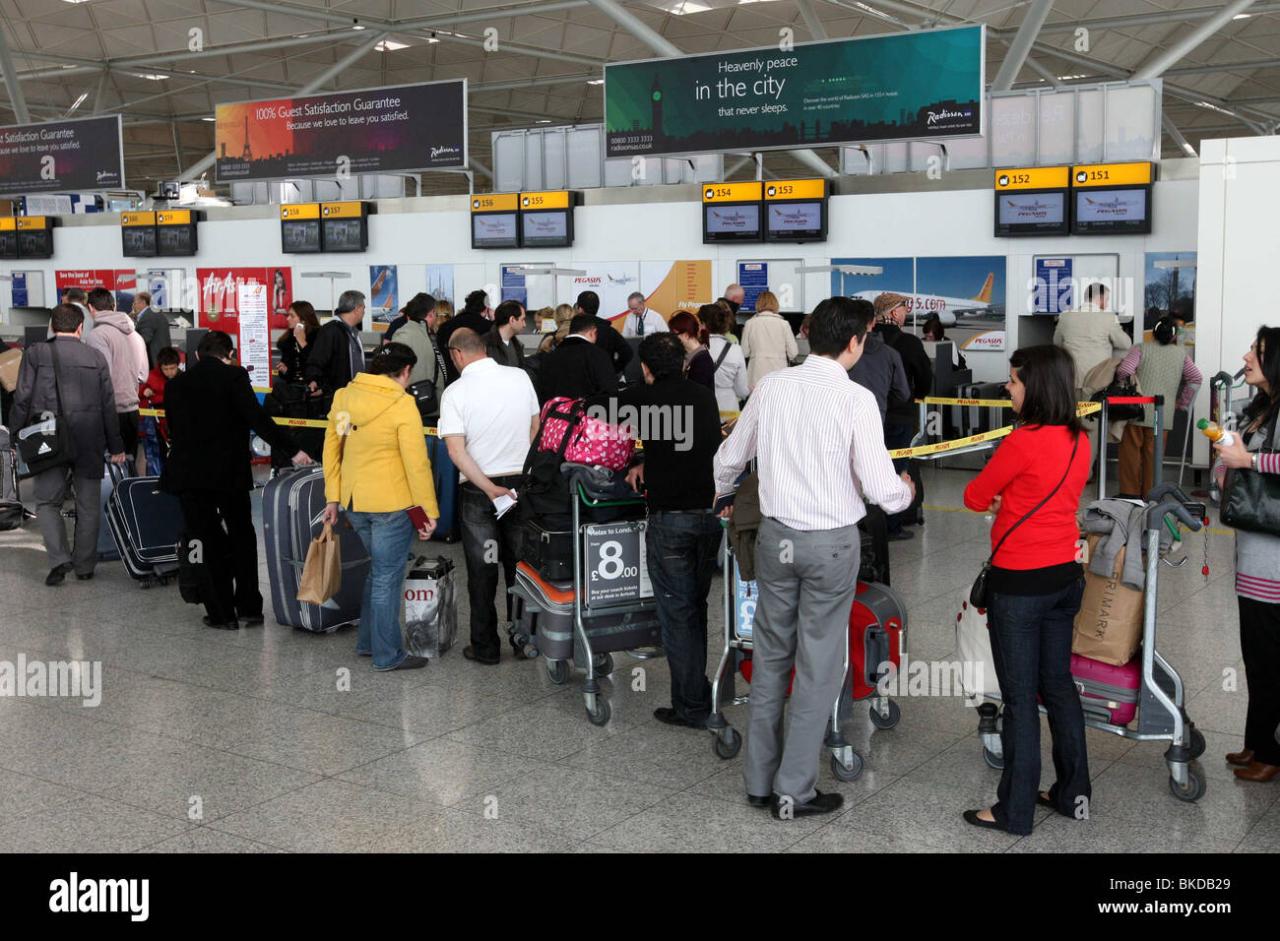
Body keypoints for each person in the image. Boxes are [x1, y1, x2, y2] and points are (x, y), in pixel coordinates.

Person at [714, 296, 915, 819]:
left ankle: (758, 780)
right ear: (855, 341)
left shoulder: (773, 386)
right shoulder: (855, 399)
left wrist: (723, 495)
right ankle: (794, 789)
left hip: (776, 540)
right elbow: (880, 488)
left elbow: (729, 458)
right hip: (830, 544)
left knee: (771, 654)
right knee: (819, 664)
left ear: (808, 336)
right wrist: (906, 492)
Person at [961, 344, 1092, 834]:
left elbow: (974, 497)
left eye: (1013, 381)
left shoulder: (1021, 442)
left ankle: (1014, 810)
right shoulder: (1082, 440)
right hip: (1065, 577)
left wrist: (1001, 500)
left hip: (1019, 584)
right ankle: (1073, 794)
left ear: (1033, 386)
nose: (1008, 388)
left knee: (1018, 698)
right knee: (1057, 686)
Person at [591, 333, 722, 727]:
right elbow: (694, 443)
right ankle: (696, 692)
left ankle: (692, 707)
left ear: (646, 368)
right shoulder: (702, 395)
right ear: (683, 363)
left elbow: (596, 410)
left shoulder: (643, 399)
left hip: (670, 522)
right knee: (695, 608)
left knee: (678, 615)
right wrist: (650, 458)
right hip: (709, 515)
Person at [162, 331, 312, 629]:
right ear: (229, 355)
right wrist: (292, 450)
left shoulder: (175, 385)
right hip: (229, 473)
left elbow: (175, 430)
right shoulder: (234, 378)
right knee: (242, 535)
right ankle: (249, 607)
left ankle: (220, 614)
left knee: (203, 540)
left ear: (196, 356)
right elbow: (258, 419)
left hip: (190, 474)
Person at [320, 342, 439, 671]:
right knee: (388, 577)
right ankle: (389, 655)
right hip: (391, 504)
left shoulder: (345, 396)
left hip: (354, 502)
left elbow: (333, 449)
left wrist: (333, 497)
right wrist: (429, 511)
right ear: (405, 372)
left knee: (378, 571)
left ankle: (369, 643)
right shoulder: (402, 405)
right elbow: (416, 463)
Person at [438, 328, 541, 665]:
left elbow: (456, 451)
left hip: (480, 492)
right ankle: (524, 641)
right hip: (519, 488)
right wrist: (521, 476)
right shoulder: (519, 377)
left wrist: (487, 486)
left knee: (482, 572)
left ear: (456, 355)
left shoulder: (455, 392)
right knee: (520, 566)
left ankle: (485, 648)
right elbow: (535, 429)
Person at [10, 304, 125, 586]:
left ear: (51, 326)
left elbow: (22, 397)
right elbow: (108, 406)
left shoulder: (36, 353)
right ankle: (85, 566)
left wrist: (14, 434)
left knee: (47, 501)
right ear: (80, 328)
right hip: (89, 438)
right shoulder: (96, 357)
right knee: (88, 505)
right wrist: (117, 444)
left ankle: (60, 560)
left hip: (47, 437)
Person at [1211, 327, 1280, 783]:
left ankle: (1271, 753)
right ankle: (1257, 741)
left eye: (1256, 352)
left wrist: (1249, 463)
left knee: (1271, 659)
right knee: (1256, 657)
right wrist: (1224, 464)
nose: (1245, 357)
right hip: (1252, 559)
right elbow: (1233, 458)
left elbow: (1255, 463)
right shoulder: (1258, 411)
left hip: (1274, 569)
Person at [1114, 316, 1203, 498]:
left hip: (1136, 411)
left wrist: (1125, 385)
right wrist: (1182, 402)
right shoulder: (1181, 354)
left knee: (1131, 453)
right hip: (1161, 415)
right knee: (1153, 457)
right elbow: (1196, 378)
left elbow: (1125, 370)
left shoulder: (1141, 348)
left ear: (1153, 332)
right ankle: (1150, 494)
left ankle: (1129, 493)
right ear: (1173, 336)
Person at [874, 292, 933, 537]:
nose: (906, 312)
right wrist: (917, 395)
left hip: (868, 415)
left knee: (870, 466)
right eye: (904, 308)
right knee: (898, 468)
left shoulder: (863, 341)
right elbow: (925, 378)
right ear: (894, 313)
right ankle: (892, 524)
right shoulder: (909, 344)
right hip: (899, 415)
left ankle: (870, 522)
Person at [84, 286, 148, 461]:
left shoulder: (97, 335)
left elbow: (103, 378)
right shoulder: (135, 335)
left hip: (111, 413)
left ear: (90, 308)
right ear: (113, 306)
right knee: (130, 471)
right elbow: (143, 375)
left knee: (110, 477)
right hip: (133, 410)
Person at [1053, 282, 1132, 395]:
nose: (1107, 303)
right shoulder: (1108, 317)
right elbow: (1126, 344)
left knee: (1073, 412)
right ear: (1100, 298)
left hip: (1070, 380)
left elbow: (1056, 343)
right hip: (1098, 384)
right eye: (1107, 299)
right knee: (1094, 412)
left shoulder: (1065, 317)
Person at [849, 299, 911, 426]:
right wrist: (881, 401)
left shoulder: (839, 349)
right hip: (878, 420)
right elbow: (903, 394)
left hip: (842, 421)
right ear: (873, 322)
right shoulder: (890, 353)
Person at [538, 313, 618, 401]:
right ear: (593, 333)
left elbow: (542, 394)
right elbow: (610, 392)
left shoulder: (549, 357)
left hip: (554, 412)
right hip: (590, 412)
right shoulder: (598, 354)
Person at [304, 290, 367, 398]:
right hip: (335, 399)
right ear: (357, 308)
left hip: (352, 397)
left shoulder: (352, 332)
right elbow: (317, 361)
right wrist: (318, 383)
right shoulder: (331, 330)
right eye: (363, 308)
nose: (364, 312)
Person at [740, 290, 796, 391]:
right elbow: (794, 352)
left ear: (758, 304)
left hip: (756, 374)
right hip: (779, 374)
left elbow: (744, 352)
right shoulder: (784, 324)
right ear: (775, 304)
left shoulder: (750, 324)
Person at [395, 293, 447, 400]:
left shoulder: (426, 333)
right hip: (419, 405)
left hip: (427, 401)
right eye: (435, 313)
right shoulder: (406, 334)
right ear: (431, 313)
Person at [138, 346, 181, 476]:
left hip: (173, 425)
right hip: (152, 425)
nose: (169, 372)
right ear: (160, 366)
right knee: (154, 455)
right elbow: (138, 392)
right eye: (165, 369)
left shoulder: (182, 378)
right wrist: (143, 392)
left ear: (178, 365)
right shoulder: (151, 377)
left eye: (172, 368)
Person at [436, 290, 494, 383]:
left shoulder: (445, 327)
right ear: (486, 309)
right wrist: (493, 320)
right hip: (481, 381)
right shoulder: (489, 327)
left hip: (452, 381)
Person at [572, 290, 632, 377]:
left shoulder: (575, 331)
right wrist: (613, 369)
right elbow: (628, 352)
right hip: (605, 380)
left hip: (582, 381)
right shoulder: (610, 331)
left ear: (580, 309)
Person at [705, 303, 748, 418]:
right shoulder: (736, 350)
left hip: (703, 409)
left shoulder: (696, 348)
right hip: (729, 410)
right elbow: (742, 391)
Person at [275, 300, 321, 385]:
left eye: (292, 316)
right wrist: (285, 370)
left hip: (314, 387)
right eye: (288, 315)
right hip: (293, 389)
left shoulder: (319, 336)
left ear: (303, 320)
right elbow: (289, 375)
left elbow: (317, 364)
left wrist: (302, 342)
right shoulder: (288, 340)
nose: (288, 319)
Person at [669, 310, 715, 391]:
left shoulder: (702, 361)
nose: (671, 338)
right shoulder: (687, 355)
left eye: (673, 334)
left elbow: (695, 394)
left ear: (686, 335)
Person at [132, 292, 172, 370]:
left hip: (154, 360)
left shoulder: (147, 316)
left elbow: (145, 339)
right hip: (163, 357)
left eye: (135, 302)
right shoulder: (155, 313)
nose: (133, 305)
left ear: (143, 302)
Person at [485, 300, 528, 368]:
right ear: (512, 320)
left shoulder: (517, 345)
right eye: (522, 319)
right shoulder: (484, 345)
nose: (524, 325)